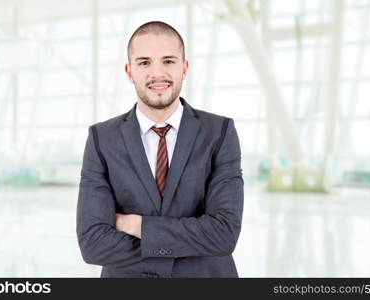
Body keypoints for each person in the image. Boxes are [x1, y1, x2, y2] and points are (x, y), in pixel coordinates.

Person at [76, 21, 244, 278]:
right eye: (144, 63)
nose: (157, 73)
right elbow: (93, 244)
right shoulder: (102, 139)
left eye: (168, 61)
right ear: (129, 71)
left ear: (184, 68)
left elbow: (223, 234)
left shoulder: (219, 132)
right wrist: (191, 242)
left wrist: (136, 224)